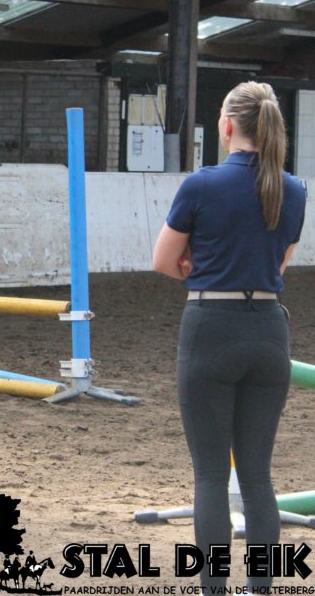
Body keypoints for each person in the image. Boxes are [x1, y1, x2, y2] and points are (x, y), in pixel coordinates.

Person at [152, 82, 306, 595]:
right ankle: (260, 588)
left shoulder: (202, 184)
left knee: (211, 476)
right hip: (269, 329)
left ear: (226, 126)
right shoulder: (294, 190)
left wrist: (200, 266)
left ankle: (214, 589)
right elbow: (277, 266)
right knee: (259, 476)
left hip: (212, 327)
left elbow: (162, 261)